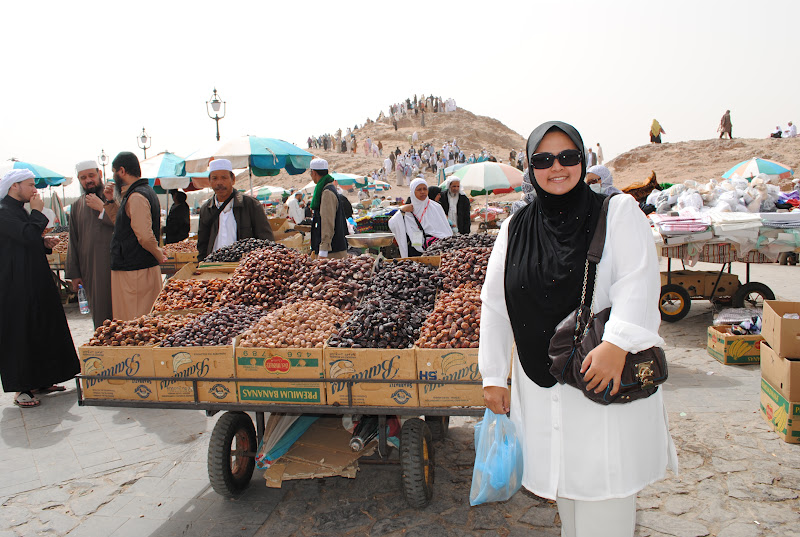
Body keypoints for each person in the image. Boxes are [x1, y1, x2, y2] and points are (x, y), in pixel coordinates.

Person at [479, 121, 677, 537]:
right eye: (543, 159)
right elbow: (495, 305)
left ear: (583, 160)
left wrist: (617, 344)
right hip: (542, 382)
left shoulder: (615, 211)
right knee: (568, 488)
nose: (557, 167)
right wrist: (494, 374)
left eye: (568, 157)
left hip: (600, 375)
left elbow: (638, 281)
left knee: (606, 491)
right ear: (530, 166)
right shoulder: (515, 228)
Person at [0, 169, 81, 408]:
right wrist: (37, 212)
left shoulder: (18, 212)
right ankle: (22, 387)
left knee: (44, 326)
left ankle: (44, 379)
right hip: (16, 285)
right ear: (15, 187)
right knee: (22, 332)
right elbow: (24, 235)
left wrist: (44, 242)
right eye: (30, 185)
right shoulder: (4, 212)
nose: (35, 190)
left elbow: (24, 240)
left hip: (34, 280)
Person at [109, 152, 166, 321]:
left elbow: (144, 235)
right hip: (138, 268)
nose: (113, 177)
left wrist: (158, 253)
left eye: (114, 172)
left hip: (136, 272)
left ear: (122, 171)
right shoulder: (141, 193)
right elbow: (124, 225)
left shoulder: (137, 196)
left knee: (136, 321)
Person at [66, 160, 117, 329]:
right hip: (92, 270)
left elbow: (124, 224)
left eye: (91, 176)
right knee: (101, 316)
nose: (88, 180)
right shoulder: (76, 206)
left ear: (100, 175)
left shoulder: (114, 197)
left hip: (118, 266)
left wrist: (103, 208)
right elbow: (73, 241)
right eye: (83, 178)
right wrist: (75, 274)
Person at [197, 159, 274, 261]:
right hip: (213, 267)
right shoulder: (206, 209)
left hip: (243, 268)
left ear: (233, 180)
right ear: (210, 182)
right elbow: (202, 244)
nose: (219, 182)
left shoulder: (251, 205)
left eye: (224, 178)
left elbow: (266, 240)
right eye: (214, 178)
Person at [388, 178, 452, 258]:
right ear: (412, 192)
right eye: (419, 189)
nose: (422, 192)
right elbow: (392, 224)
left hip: (436, 248)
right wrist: (402, 211)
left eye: (425, 189)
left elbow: (445, 229)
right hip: (415, 245)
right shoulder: (407, 209)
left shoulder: (436, 207)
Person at [308, 158, 348, 259]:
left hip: (332, 252)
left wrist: (323, 249)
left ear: (314, 173)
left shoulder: (327, 192)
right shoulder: (327, 189)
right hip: (332, 249)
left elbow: (327, 222)